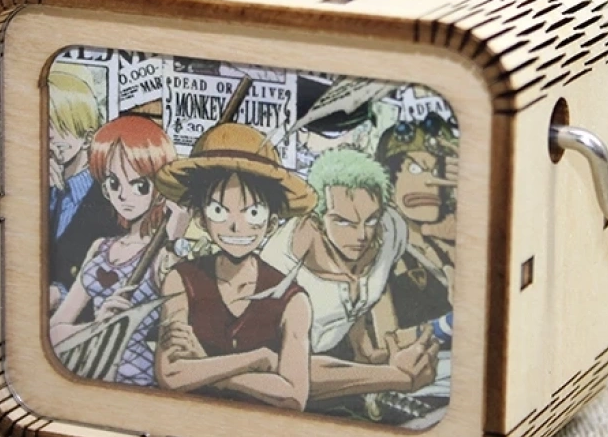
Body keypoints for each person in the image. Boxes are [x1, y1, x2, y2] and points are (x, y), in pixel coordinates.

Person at [153, 123, 316, 411]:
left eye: (253, 212)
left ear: (271, 223)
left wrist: (205, 364)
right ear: (201, 218)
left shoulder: (292, 298)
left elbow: (293, 395)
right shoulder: (181, 280)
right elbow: (171, 374)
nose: (235, 226)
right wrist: (255, 361)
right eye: (219, 210)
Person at [261, 147, 439, 401]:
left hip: (346, 361)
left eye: (371, 220)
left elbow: (372, 288)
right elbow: (284, 373)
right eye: (343, 221)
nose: (361, 235)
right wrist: (397, 377)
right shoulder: (276, 267)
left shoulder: (390, 229)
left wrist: (365, 347)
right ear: (317, 220)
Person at [49, 115, 188, 386]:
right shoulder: (101, 248)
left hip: (140, 381)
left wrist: (175, 241)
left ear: (160, 190)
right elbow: (54, 331)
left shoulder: (163, 256)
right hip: (92, 373)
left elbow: (181, 327)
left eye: (139, 185)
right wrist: (97, 326)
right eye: (113, 183)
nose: (124, 195)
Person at [375, 113, 457, 346]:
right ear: (388, 183)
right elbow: (385, 341)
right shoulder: (379, 253)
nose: (430, 183)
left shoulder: (443, 249)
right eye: (414, 169)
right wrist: (447, 326)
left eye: (436, 171)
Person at [47, 69, 122, 310]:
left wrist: (59, 294)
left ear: (88, 138)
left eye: (60, 126)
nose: (48, 135)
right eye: (42, 122)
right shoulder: (42, 188)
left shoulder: (110, 198)